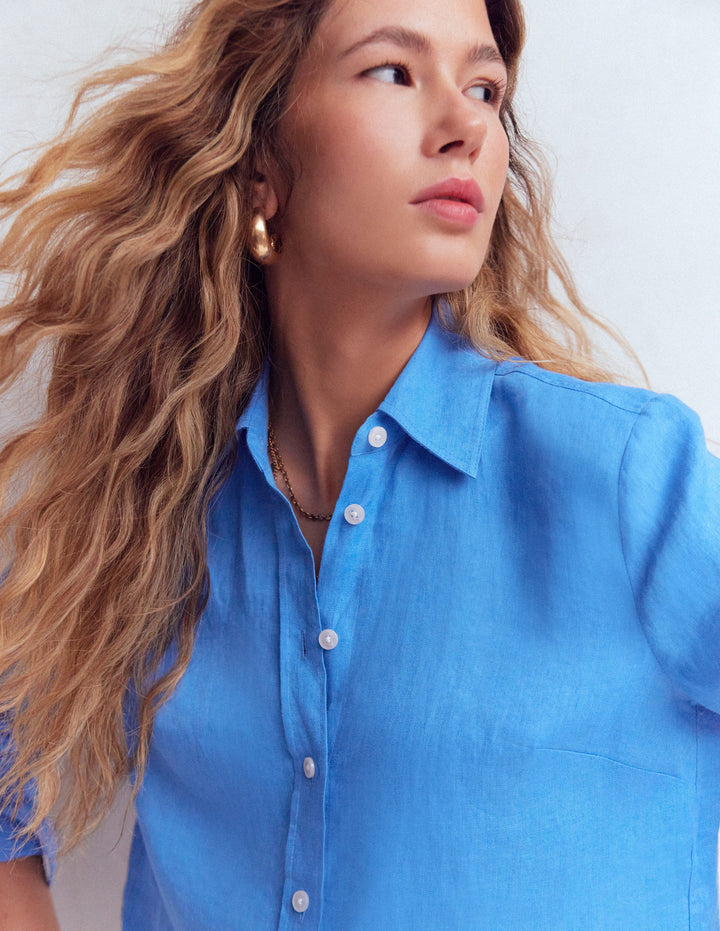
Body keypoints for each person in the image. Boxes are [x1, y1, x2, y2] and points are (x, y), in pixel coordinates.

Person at [0, 0, 718, 927]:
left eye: (485, 88)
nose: (465, 125)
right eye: (393, 71)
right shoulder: (146, 507)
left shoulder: (621, 476)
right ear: (261, 164)